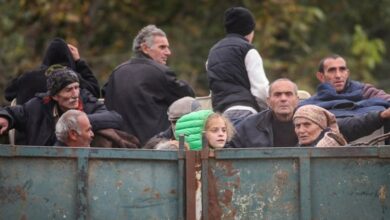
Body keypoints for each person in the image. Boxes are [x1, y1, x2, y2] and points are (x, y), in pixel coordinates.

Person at [229, 78, 390, 148]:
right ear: (269, 100)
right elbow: (226, 145)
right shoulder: (251, 125)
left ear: (297, 100)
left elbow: (347, 126)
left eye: (288, 94)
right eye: (278, 95)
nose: (283, 99)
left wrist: (381, 116)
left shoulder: (312, 116)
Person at [103, 25, 195, 146]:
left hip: (119, 148)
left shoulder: (116, 73)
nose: (168, 52)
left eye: (167, 47)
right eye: (162, 47)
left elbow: (105, 95)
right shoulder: (160, 73)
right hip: (153, 149)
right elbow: (188, 97)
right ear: (145, 48)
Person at [0, 65, 123, 146]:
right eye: (68, 90)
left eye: (76, 88)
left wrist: (81, 121)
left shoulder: (86, 101)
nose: (75, 94)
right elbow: (16, 113)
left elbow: (114, 118)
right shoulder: (39, 105)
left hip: (83, 164)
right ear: (54, 96)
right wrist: (6, 118)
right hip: (43, 165)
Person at [206, 6, 269, 126]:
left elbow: (212, 88)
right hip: (246, 112)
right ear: (249, 30)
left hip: (221, 116)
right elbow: (260, 89)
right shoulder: (248, 50)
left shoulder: (212, 52)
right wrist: (266, 113)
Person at [5, 37, 100, 105]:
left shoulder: (27, 78)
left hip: (27, 131)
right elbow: (95, 92)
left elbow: (8, 94)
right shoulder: (74, 79)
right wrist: (79, 62)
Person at [299, 54, 390, 117]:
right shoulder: (311, 105)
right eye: (332, 70)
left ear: (347, 73)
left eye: (342, 69)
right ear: (321, 76)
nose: (338, 75)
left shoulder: (365, 91)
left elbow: (387, 99)